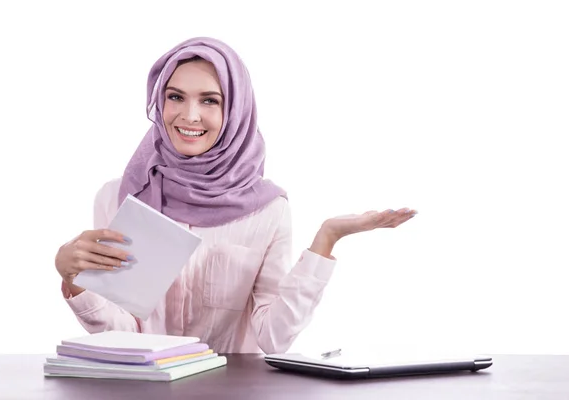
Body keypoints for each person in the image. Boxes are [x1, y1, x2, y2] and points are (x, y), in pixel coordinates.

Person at [54, 37, 417, 354]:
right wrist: (74, 279)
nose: (189, 115)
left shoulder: (268, 211)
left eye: (209, 101)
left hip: (231, 389)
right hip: (144, 387)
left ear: (236, 111)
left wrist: (326, 239)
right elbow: (122, 332)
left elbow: (273, 337)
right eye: (175, 96)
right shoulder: (121, 196)